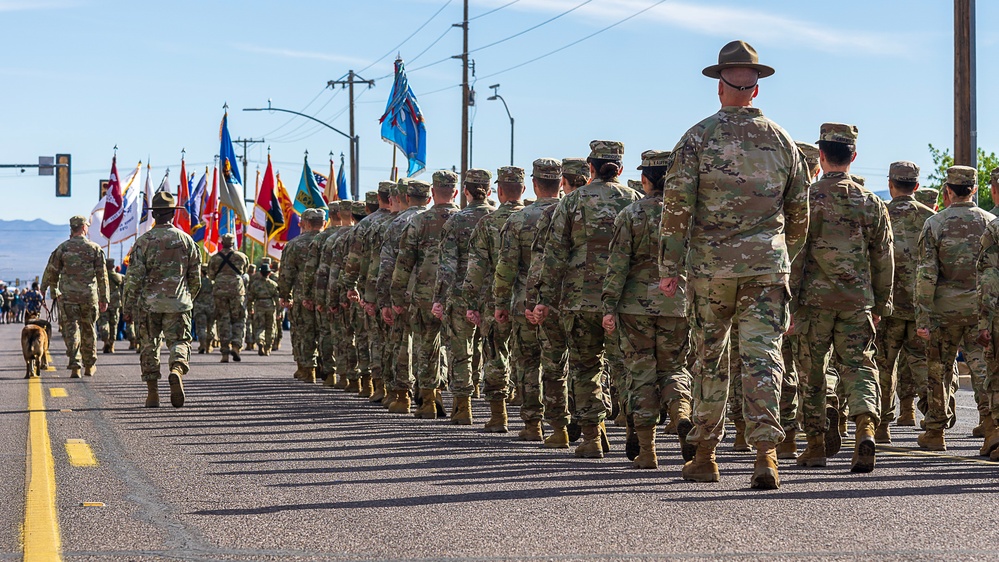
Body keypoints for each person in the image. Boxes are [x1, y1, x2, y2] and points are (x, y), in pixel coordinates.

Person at [657, 41, 810, 489]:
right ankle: (766, 455)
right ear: (755, 89)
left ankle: (704, 455)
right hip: (767, 268)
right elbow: (799, 217)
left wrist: (670, 264)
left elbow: (676, 208)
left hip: (710, 270)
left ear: (720, 86)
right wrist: (780, 256)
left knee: (710, 359)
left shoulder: (697, 137)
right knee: (764, 358)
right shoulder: (783, 142)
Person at [790, 124, 893, 472]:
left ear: (820, 156)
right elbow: (884, 258)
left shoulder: (806, 199)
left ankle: (816, 445)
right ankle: (865, 429)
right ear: (853, 156)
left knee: (812, 373)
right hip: (856, 302)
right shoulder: (873, 203)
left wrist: (789, 304)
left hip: (814, 303)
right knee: (859, 366)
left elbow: (795, 255)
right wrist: (880, 305)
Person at [532, 140, 641, 458]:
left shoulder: (573, 201)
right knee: (628, 368)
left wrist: (545, 298)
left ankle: (594, 437)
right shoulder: (635, 202)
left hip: (579, 300)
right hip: (624, 302)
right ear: (620, 169)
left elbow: (555, 253)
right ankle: (637, 430)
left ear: (590, 169)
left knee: (585, 368)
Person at [603, 149, 693, 469]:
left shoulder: (631, 214)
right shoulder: (689, 214)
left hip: (635, 307)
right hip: (678, 305)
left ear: (644, 179)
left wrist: (609, 306)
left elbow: (617, 265)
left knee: (640, 371)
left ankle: (647, 450)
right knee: (675, 368)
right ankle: (682, 415)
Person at [915, 166, 994, 450]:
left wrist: (922, 315)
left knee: (939, 369)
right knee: (982, 367)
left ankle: (935, 432)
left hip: (943, 311)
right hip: (979, 310)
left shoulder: (935, 224)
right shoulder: (990, 222)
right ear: (974, 189)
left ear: (947, 191)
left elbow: (926, 274)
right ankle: (991, 425)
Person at [495, 159, 563, 441]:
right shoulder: (571, 212)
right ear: (561, 183)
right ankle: (562, 426)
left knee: (529, 363)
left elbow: (506, 267)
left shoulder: (518, 219)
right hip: (563, 300)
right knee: (561, 364)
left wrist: (499, 303)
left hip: (525, 301)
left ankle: (533, 424)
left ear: (534, 185)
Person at [525, 158, 587, 446]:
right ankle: (593, 429)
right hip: (601, 299)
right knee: (590, 365)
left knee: (554, 366)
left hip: (560, 297)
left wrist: (536, 300)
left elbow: (543, 260)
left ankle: (560, 429)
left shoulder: (556, 211)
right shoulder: (625, 204)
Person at [873, 162, 935, 441]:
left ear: (890, 185)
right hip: (922, 307)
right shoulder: (930, 218)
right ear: (917, 186)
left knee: (884, 367)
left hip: (886, 306)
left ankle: (882, 427)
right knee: (925, 367)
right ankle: (935, 427)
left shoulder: (880, 213)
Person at [121, 192, 201, 408]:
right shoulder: (187, 241)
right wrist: (186, 298)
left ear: (154, 214)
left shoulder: (143, 241)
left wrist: (127, 307)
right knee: (180, 341)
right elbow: (195, 278)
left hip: (149, 304)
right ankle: (176, 370)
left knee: (149, 345)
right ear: (173, 215)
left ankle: (152, 394)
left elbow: (133, 278)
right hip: (179, 302)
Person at [392, 172, 460, 418]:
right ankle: (461, 403)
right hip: (458, 295)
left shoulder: (419, 222)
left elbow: (403, 263)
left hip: (424, 295)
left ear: (433, 193)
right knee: (458, 348)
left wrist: (397, 296)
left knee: (426, 347)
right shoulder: (464, 219)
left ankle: (429, 400)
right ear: (454, 192)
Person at [463, 167, 526, 432]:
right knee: (530, 357)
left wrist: (470, 303)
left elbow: (475, 269)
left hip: (494, 300)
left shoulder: (487, 223)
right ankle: (535, 420)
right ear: (523, 190)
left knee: (495, 354)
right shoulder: (537, 217)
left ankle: (499, 415)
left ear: (499, 192)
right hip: (529, 299)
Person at [433, 170, 495, 423]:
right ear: (490, 191)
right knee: (495, 351)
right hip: (494, 294)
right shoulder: (500, 218)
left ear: (466, 191)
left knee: (460, 351)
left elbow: (446, 265)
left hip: (460, 294)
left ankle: (463, 407)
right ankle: (497, 411)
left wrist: (439, 297)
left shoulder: (456, 221)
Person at [40, 215, 109, 378]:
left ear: (72, 228)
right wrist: (104, 298)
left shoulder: (62, 248)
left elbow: (52, 272)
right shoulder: (94, 248)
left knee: (71, 331)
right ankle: (89, 365)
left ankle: (75, 364)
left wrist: (45, 290)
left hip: (68, 298)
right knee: (89, 330)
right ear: (84, 228)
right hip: (88, 297)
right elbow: (102, 276)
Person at [278, 208, 326, 382]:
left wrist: (284, 294)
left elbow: (286, 273)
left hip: (301, 295)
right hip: (328, 294)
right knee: (326, 331)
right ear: (324, 223)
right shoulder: (331, 240)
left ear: (305, 223)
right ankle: (327, 369)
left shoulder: (295, 244)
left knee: (305, 332)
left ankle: (307, 369)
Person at [208, 233, 250, 363]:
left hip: (220, 290)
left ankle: (225, 352)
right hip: (236, 290)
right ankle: (236, 345)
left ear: (222, 243)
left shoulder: (215, 258)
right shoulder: (241, 257)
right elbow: (244, 272)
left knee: (223, 319)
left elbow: (211, 275)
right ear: (233, 243)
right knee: (238, 319)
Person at [249, 260, 280, 354]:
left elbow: (250, 298)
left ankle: (260, 342)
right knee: (270, 327)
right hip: (270, 306)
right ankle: (267, 347)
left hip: (259, 306)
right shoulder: (273, 284)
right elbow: (277, 299)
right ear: (269, 273)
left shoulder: (255, 284)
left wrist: (250, 308)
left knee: (259, 326)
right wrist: (278, 312)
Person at [193, 264, 215, 354]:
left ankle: (202, 344)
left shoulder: (198, 282)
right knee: (211, 327)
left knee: (201, 327)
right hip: (211, 306)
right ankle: (208, 346)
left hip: (199, 307)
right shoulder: (212, 282)